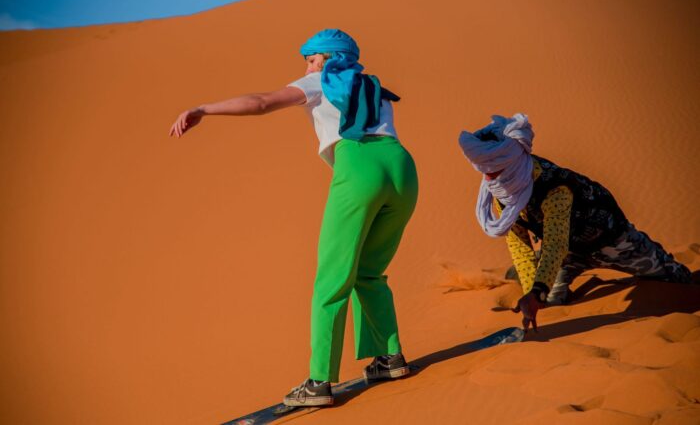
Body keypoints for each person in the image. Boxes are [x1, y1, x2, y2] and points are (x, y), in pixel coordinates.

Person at [169, 29, 418, 407]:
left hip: (359, 170)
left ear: (325, 57)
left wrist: (204, 108)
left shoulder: (320, 79)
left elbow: (261, 102)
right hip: (402, 169)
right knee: (369, 272)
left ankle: (319, 382)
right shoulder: (371, 85)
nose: (306, 63)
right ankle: (390, 357)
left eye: (310, 56)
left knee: (332, 278)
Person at [458, 114, 692, 332]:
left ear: (510, 164)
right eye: (485, 172)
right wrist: (534, 292)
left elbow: (555, 244)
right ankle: (536, 274)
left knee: (679, 279)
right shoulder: (503, 194)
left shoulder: (554, 186)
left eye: (494, 171)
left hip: (612, 243)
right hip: (567, 255)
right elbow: (519, 245)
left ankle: (656, 255)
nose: (489, 179)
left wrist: (536, 292)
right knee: (546, 300)